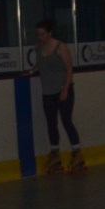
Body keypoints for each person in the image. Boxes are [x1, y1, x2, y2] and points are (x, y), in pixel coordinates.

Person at [28, 19, 83, 173]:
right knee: (51, 123)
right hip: (48, 91)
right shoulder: (38, 47)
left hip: (62, 89)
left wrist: (65, 89)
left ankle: (77, 154)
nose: (40, 37)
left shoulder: (60, 46)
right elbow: (40, 64)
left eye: (43, 34)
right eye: (38, 35)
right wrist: (31, 71)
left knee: (66, 121)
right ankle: (55, 155)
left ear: (50, 33)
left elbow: (69, 68)